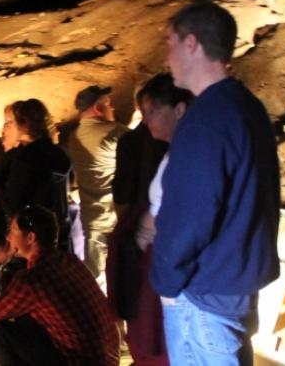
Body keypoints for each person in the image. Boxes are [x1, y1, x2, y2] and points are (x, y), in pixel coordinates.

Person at [151, 2, 280, 365]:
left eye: (170, 42)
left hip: (203, 295)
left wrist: (165, 282)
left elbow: (189, 217)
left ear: (191, 43)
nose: (167, 56)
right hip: (235, 284)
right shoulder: (245, 106)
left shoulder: (204, 121)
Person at [106, 74, 190, 366]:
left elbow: (126, 193)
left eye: (152, 110)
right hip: (148, 249)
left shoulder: (185, 150)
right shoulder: (150, 143)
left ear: (179, 109)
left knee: (157, 330)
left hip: (164, 254)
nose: (148, 117)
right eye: (145, 112)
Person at [0, 207, 120, 366]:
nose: (8, 238)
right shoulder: (69, 261)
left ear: (31, 237)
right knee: (26, 320)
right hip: (108, 358)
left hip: (80, 361)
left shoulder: (31, 280)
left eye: (13, 231)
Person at [0, 99, 72, 255]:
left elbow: (13, 202)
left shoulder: (25, 158)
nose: (7, 127)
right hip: (58, 229)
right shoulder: (59, 153)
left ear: (24, 124)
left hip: (32, 236)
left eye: (11, 122)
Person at [66, 85, 129, 288]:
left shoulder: (74, 138)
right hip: (113, 218)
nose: (113, 110)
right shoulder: (115, 133)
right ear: (97, 108)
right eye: (108, 105)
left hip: (90, 220)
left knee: (97, 277)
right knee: (120, 278)